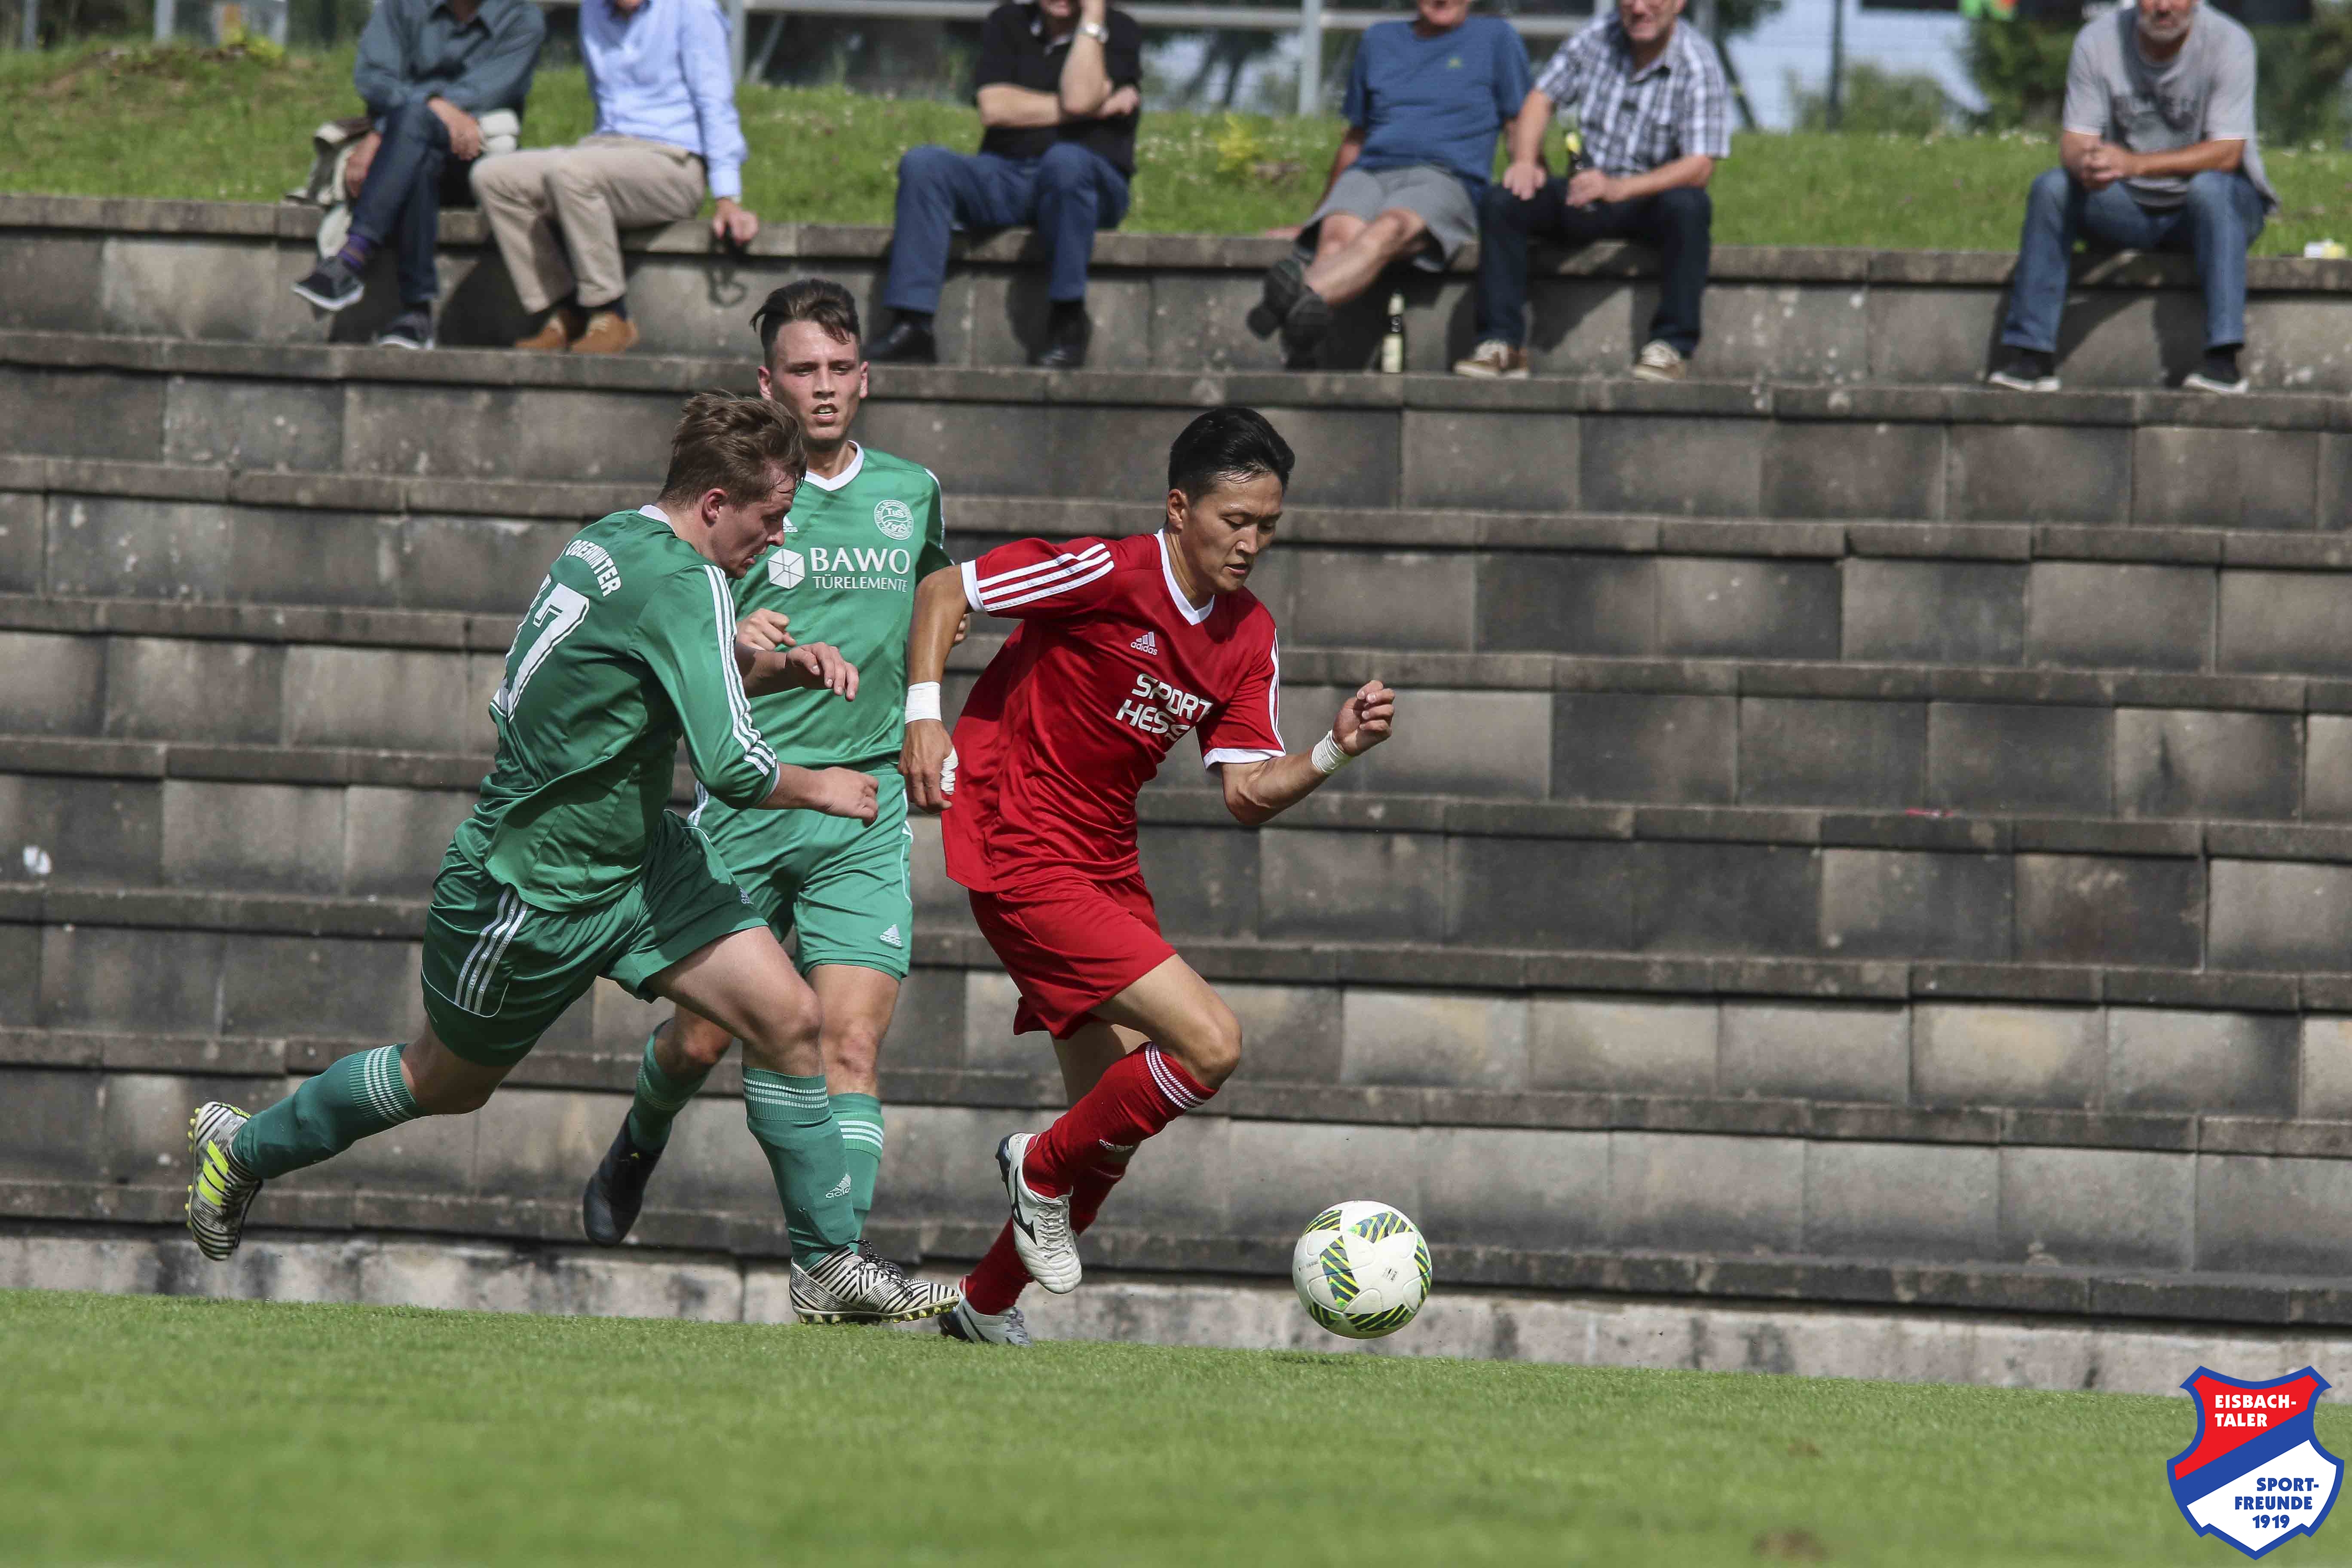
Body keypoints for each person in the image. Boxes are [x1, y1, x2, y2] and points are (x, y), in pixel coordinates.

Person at [184, 393, 959, 1327]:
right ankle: (247, 1150)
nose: (781, 534)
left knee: (791, 1017)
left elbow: (662, 666)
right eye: (771, 514)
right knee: (445, 1081)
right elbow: (733, 768)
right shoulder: (690, 584)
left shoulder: (617, 538)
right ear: (716, 503)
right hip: (532, 887)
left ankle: (827, 1262)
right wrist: (825, 786)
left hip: (639, 860)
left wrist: (777, 668)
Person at [898, 408, 1399, 1346]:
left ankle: (982, 1308)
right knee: (1211, 1044)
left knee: (1111, 1131)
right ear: (1179, 508)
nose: (1251, 543)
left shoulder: (1250, 635)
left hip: (1104, 862)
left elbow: (1246, 794)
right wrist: (924, 715)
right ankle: (1034, 1165)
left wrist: (1334, 749)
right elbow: (944, 589)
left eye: (1268, 526)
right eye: (1234, 520)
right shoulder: (1107, 572)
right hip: (1018, 840)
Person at [578, 281, 958, 1321]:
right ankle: (642, 1136)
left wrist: (925, 706)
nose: (823, 388)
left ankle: (832, 1271)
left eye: (839, 369)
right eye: (803, 370)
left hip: (863, 798)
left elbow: (939, 587)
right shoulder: (733, 500)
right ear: (767, 382)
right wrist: (740, 645)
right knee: (702, 1041)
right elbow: (683, 641)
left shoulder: (913, 490)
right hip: (750, 793)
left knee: (851, 1044)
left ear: (865, 377)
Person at [1990, 0, 2274, 395]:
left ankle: (2223, 361)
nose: (2164, 7)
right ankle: (2031, 356)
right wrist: (2088, 164)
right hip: (2128, 208)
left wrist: (2133, 165)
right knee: (2052, 188)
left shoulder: (2230, 42)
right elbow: (2075, 140)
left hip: (2216, 209)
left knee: (2210, 190)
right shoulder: (2097, 40)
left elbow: (2226, 154)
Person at [1453, 0, 1730, 383]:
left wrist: (1620, 188)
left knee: (1691, 205)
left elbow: (1699, 166)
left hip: (1649, 200)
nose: (1639, 8)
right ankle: (1501, 343)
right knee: (1503, 201)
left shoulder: (1698, 63)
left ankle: (1671, 346)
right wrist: (1526, 161)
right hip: (1585, 194)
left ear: (1679, 3)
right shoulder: (1597, 36)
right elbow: (1540, 99)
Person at [1248, 0, 1529, 369]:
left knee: (1389, 229)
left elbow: (1519, 123)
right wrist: (1316, 215)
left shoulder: (1497, 38)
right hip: (1371, 170)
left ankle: (1291, 303)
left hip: (1445, 177)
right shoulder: (1379, 40)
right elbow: (1356, 138)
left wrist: (1528, 172)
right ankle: (1303, 333)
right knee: (1336, 236)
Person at [866, 0, 1144, 370]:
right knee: (925, 165)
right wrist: (1094, 108)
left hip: (1088, 183)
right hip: (1009, 173)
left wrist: (1093, 18)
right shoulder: (1007, 21)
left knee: (1064, 162)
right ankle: (912, 324)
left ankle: (1068, 321)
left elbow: (1079, 96)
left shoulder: (1119, 29)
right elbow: (994, 107)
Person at [472, 0, 759, 356]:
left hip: (674, 160)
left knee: (572, 172)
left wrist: (728, 198)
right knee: (494, 177)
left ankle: (611, 314)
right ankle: (568, 311)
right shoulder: (592, 10)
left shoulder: (693, 9)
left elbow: (715, 102)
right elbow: (604, 98)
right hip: (607, 149)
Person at [291, 0, 548, 351]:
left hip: (472, 156)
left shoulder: (522, 18)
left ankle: (353, 257)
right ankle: (415, 314)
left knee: (414, 128)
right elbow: (373, 78)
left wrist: (388, 128)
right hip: (410, 152)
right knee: (419, 155)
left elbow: (487, 92)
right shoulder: (402, 7)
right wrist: (422, 111)